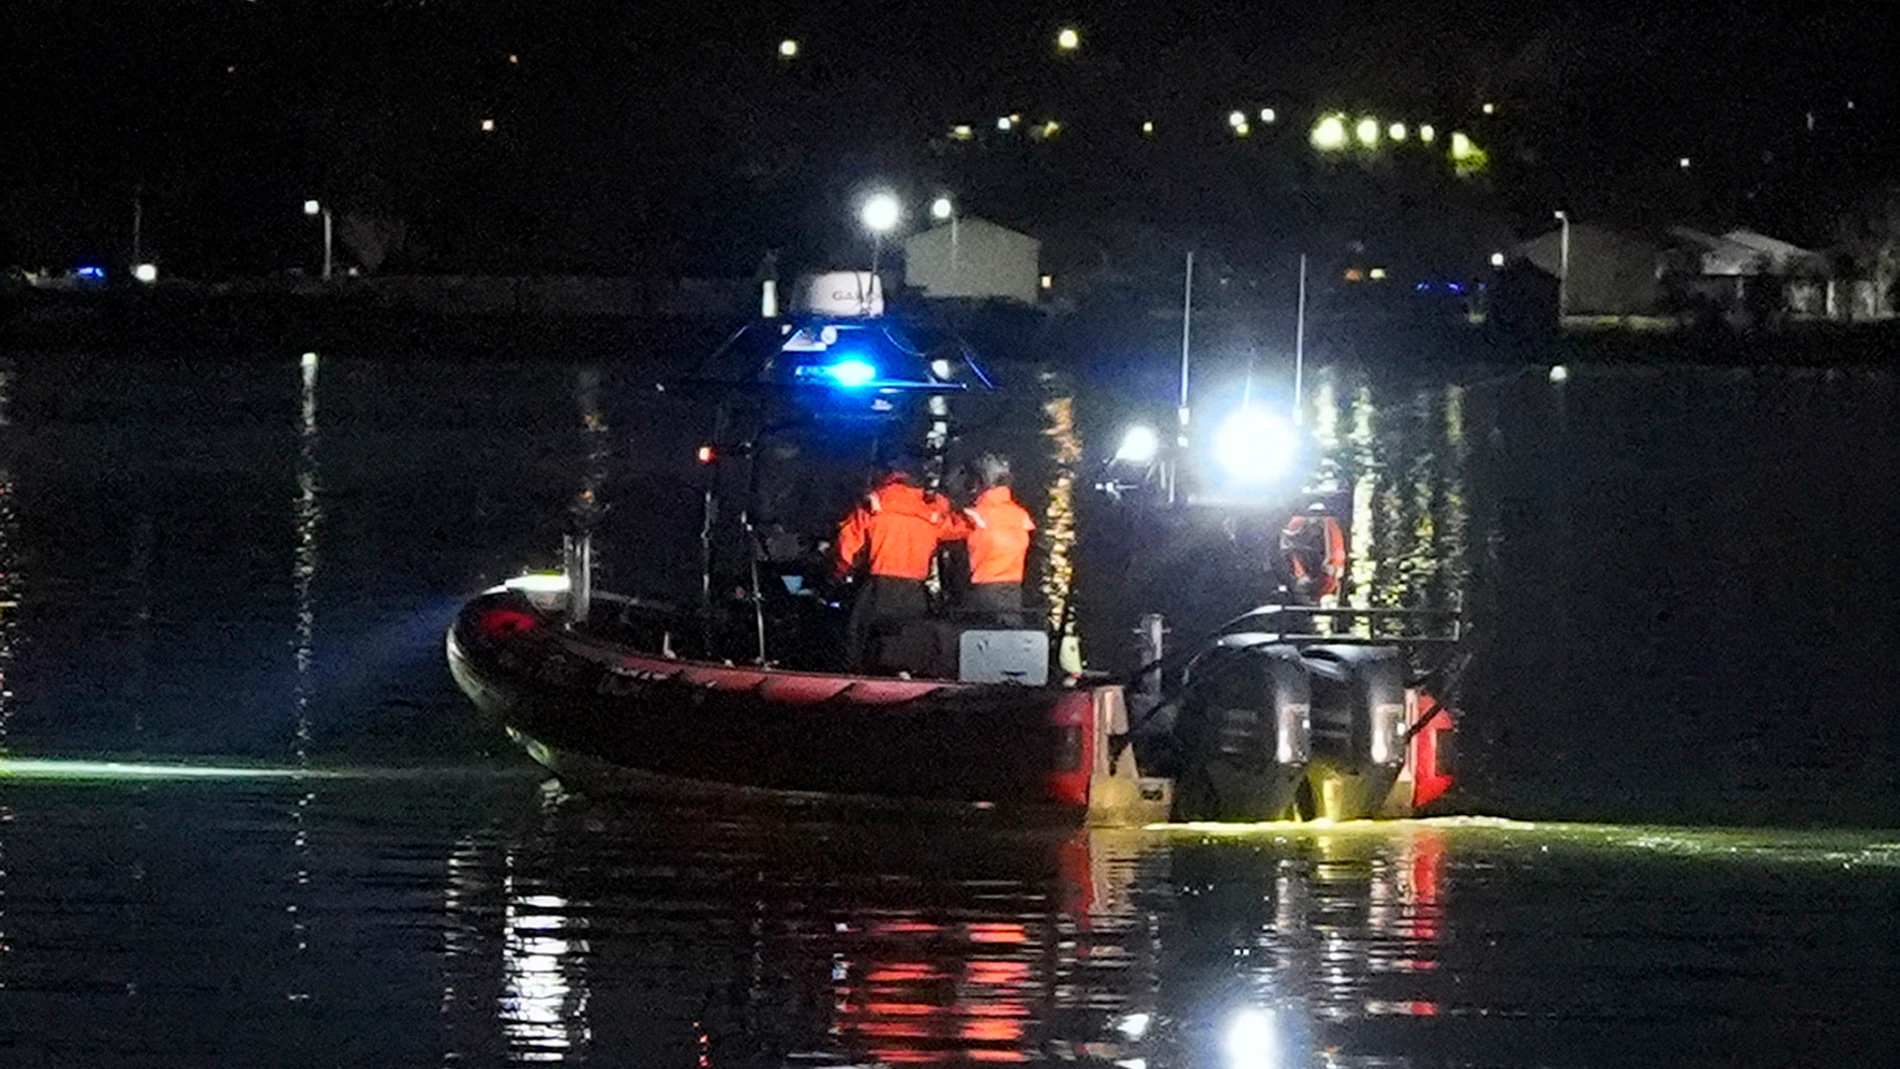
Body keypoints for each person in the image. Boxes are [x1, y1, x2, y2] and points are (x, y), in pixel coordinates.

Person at [832, 455, 954, 673]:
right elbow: (954, 532)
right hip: (915, 591)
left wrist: (839, 574)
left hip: (878, 587)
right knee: (911, 644)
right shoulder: (935, 508)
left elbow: (847, 546)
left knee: (860, 643)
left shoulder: (874, 502)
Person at [948, 453, 1035, 628]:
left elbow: (945, 530)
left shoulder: (976, 515)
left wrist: (948, 496)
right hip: (1013, 589)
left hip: (985, 590)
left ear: (980, 483)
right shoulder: (1020, 515)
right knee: (1010, 634)